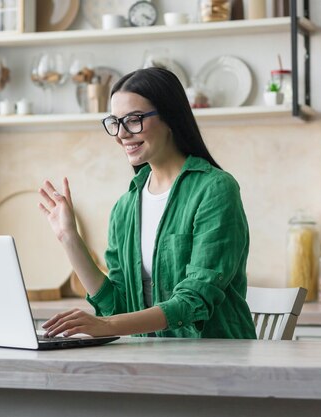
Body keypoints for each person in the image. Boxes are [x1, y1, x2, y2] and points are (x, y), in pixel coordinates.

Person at [38, 67, 256, 339]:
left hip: (217, 362)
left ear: (170, 118)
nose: (121, 134)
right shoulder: (126, 206)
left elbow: (195, 300)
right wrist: (68, 237)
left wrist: (107, 326)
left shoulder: (215, 189)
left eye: (133, 119)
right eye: (115, 122)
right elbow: (117, 306)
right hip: (150, 362)